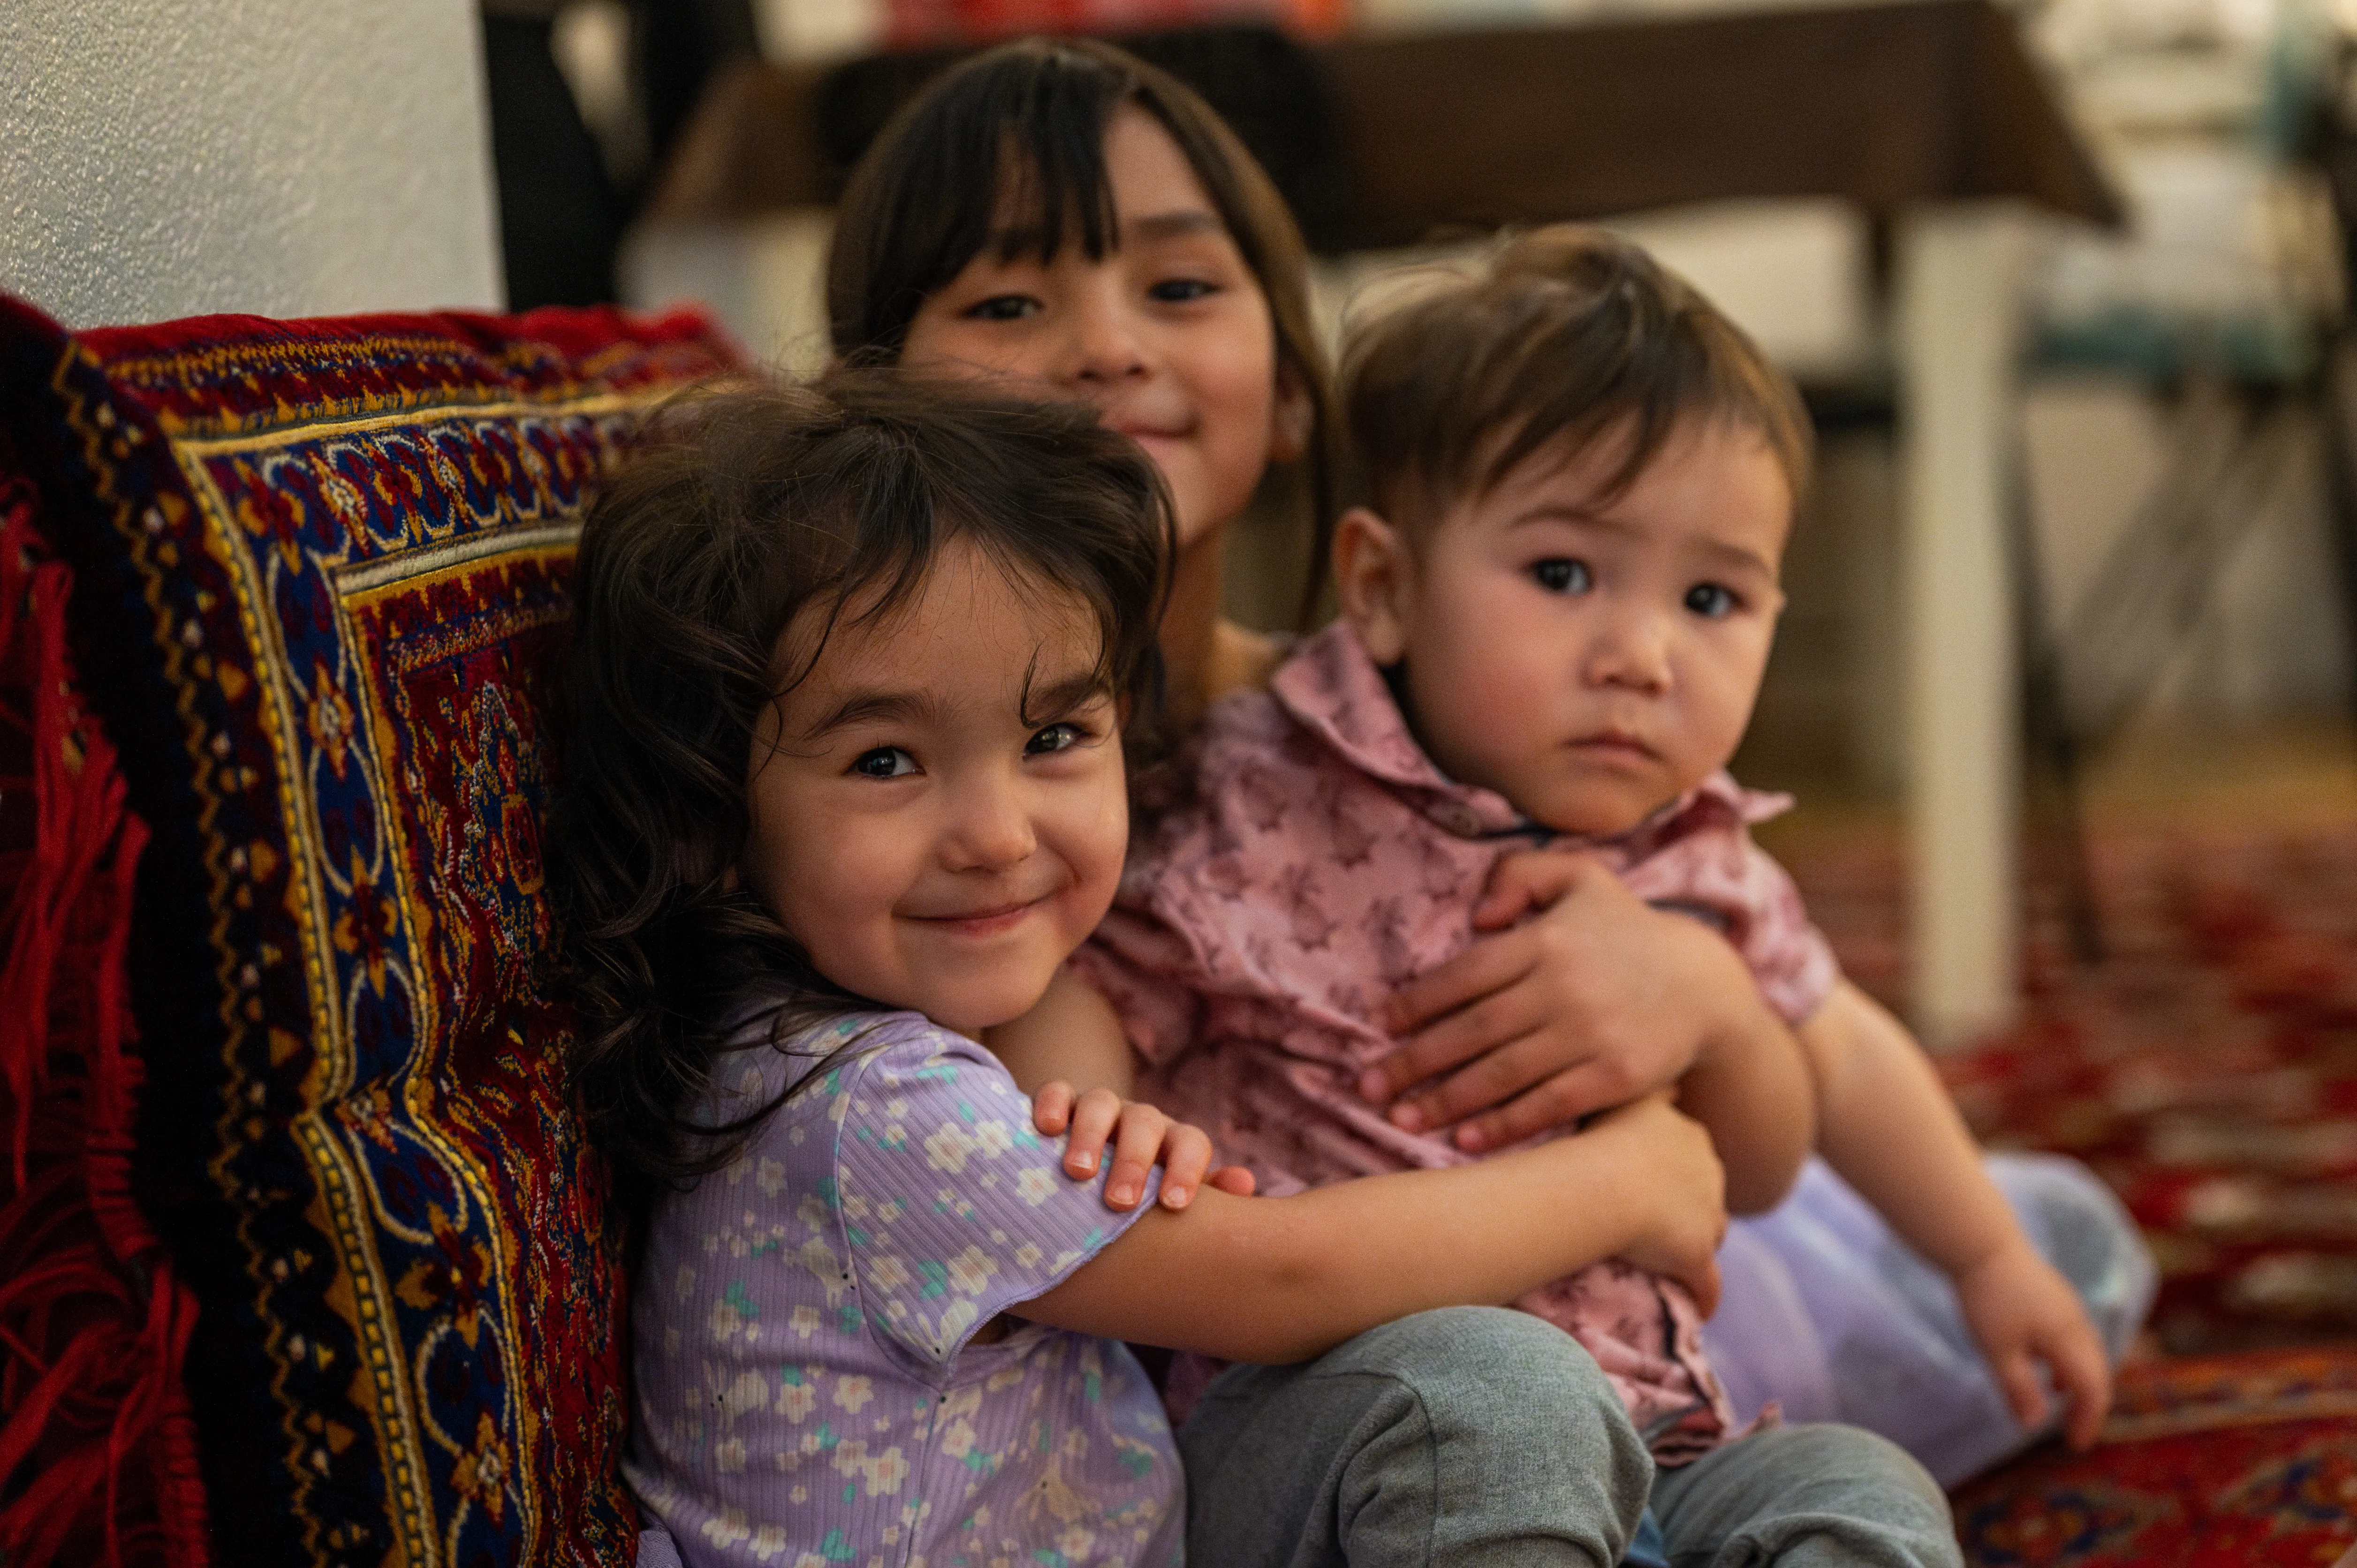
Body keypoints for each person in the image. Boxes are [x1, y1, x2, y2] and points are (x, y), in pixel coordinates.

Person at [821, 33, 2146, 1487]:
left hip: (1628, 1262)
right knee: (1527, 1398)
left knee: (2055, 1240)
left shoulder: (1411, 710)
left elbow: (1769, 1091)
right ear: (875, 392)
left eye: (1181, 286)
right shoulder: (959, 791)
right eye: (1009, 300)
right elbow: (1092, 1095)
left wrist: (1698, 993)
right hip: (1346, 1333)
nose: (1106, 346)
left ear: (1293, 390)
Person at [554, 373, 1954, 1567]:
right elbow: (1278, 1280)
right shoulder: (871, 1114)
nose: (997, 834)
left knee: (1861, 1489)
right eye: (884, 760)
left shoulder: (883, 1065)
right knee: (1490, 1393)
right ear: (717, 816)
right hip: (1278, 1455)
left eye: (1053, 739)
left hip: (1477, 1444)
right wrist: (1624, 1180)